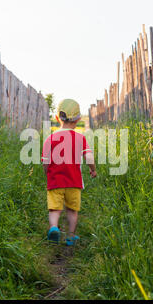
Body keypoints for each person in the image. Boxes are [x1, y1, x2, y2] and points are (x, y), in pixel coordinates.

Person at [41, 99, 97, 246]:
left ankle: (54, 227)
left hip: (55, 181)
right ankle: (71, 236)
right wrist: (93, 169)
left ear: (57, 118)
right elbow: (89, 157)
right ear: (78, 119)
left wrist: (47, 173)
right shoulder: (80, 138)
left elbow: (45, 161)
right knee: (72, 210)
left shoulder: (50, 139)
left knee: (54, 208)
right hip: (74, 181)